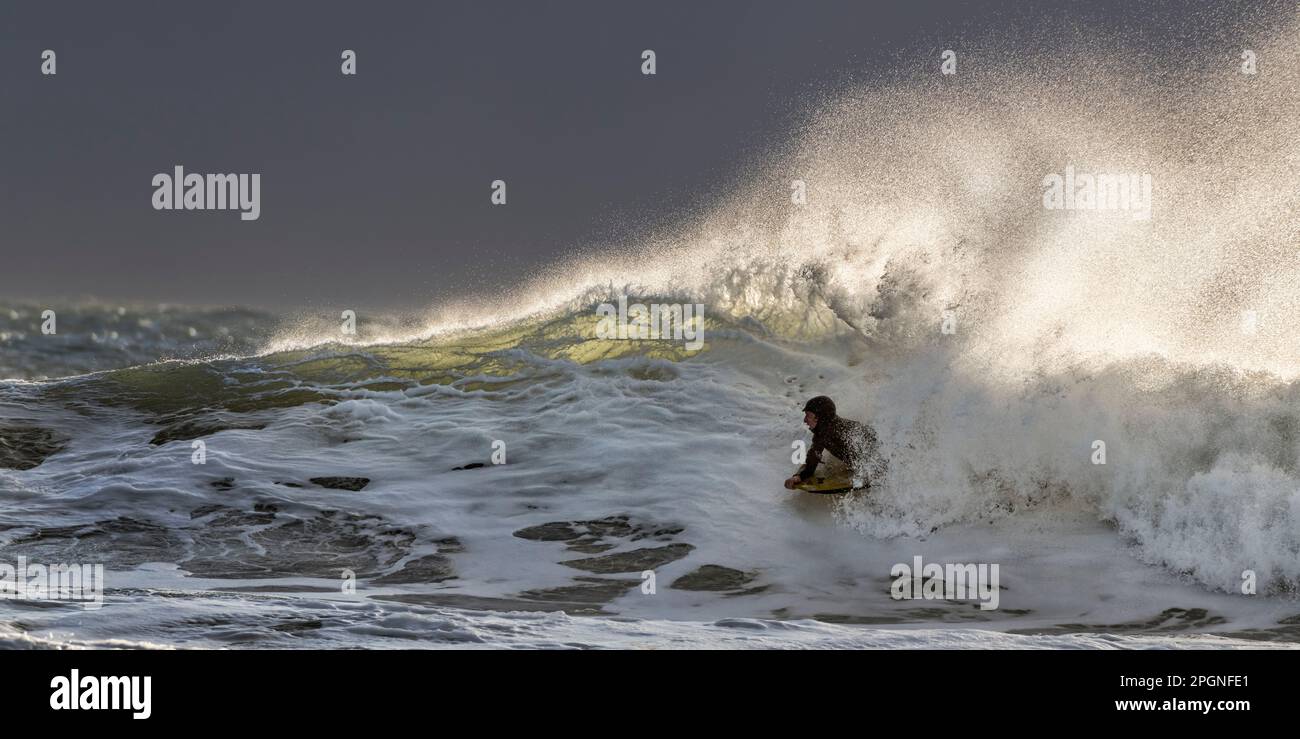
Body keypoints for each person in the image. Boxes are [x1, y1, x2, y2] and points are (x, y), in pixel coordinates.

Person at [783, 396, 880, 490]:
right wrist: (799, 476)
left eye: (808, 415)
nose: (805, 420)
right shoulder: (824, 431)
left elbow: (872, 457)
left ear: (819, 417)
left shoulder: (836, 433)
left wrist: (800, 477)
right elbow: (814, 457)